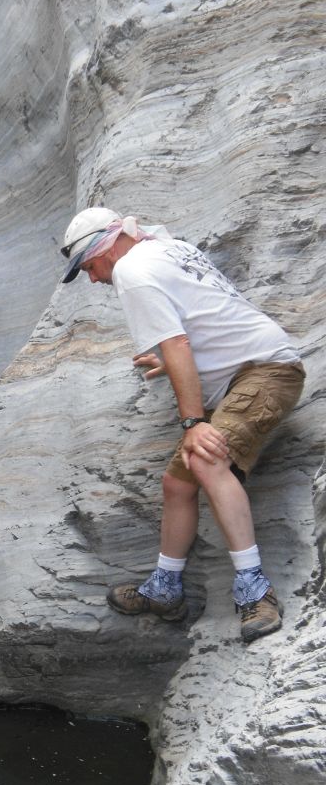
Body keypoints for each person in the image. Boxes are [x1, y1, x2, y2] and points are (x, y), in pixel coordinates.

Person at [60, 207, 305, 643]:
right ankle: (166, 589)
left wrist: (193, 422)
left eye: (90, 267)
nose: (94, 279)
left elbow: (177, 341)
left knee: (207, 459)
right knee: (178, 485)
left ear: (104, 247)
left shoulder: (133, 271)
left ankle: (256, 590)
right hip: (245, 373)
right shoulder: (168, 249)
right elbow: (203, 318)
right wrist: (170, 362)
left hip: (264, 372)